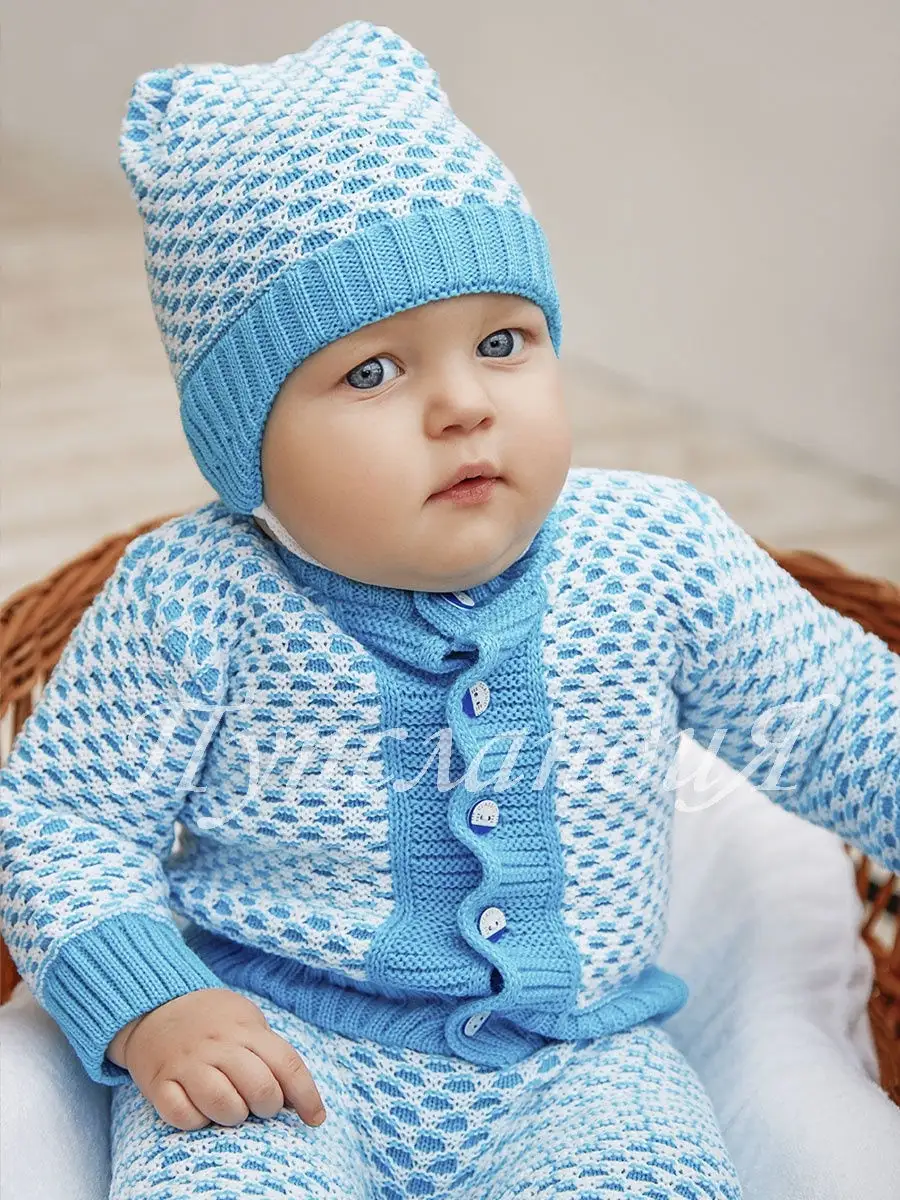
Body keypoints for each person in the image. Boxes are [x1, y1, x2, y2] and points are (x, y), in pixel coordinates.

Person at [1, 19, 897, 1200]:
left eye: (503, 341)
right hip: (274, 1050)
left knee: (651, 1180)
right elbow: (62, 820)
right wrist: (155, 1003)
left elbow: (841, 718)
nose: (465, 404)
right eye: (373, 371)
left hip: (580, 1065)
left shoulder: (657, 555)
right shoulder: (192, 596)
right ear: (247, 452)